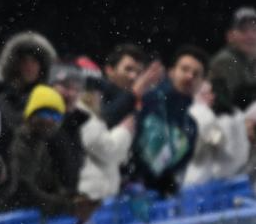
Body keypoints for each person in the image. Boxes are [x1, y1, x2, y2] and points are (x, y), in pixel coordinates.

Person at [9, 85, 96, 221]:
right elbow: (24, 191)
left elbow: (50, 183)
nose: (50, 120)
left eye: (55, 115)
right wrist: (67, 206)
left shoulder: (42, 144)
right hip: (15, 221)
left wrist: (74, 198)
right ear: (31, 115)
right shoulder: (19, 144)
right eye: (44, 113)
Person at [50, 62, 134, 200]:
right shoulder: (80, 114)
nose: (95, 96)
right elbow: (108, 151)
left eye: (76, 88)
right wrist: (124, 130)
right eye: (89, 91)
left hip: (93, 197)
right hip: (85, 197)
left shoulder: (84, 114)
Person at [131, 46, 207, 196]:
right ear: (171, 72)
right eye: (184, 69)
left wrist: (165, 186)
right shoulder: (148, 101)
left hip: (152, 199)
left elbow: (174, 169)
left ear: (201, 83)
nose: (189, 76)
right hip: (121, 191)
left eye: (196, 74)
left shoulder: (191, 126)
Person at [100, 44, 165, 128]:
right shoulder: (95, 91)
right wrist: (133, 94)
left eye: (139, 72)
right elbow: (103, 121)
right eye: (128, 69)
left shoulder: (142, 100)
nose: (133, 76)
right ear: (110, 70)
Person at [208, 7, 256, 111]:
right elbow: (232, 105)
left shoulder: (252, 60)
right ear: (230, 36)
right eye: (243, 30)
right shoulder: (224, 61)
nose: (251, 36)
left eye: (254, 30)